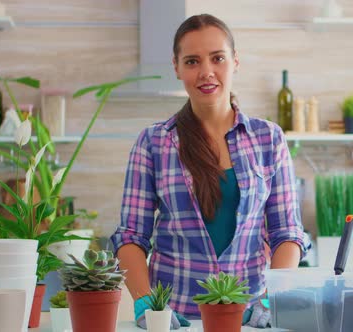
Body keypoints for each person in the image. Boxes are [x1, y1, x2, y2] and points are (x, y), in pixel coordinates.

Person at [110, 13, 310, 329]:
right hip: (175, 320)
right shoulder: (154, 143)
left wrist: (271, 300)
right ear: (176, 67)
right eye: (192, 61)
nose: (207, 72)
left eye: (217, 58)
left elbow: (287, 232)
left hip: (251, 319)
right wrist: (147, 304)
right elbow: (132, 236)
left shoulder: (268, 139)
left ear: (235, 62)